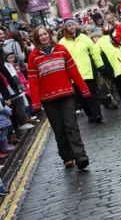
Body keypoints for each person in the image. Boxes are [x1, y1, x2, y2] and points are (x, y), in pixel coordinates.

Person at [29, 26, 90, 170]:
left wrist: (84, 89)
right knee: (59, 129)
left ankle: (80, 155)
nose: (44, 37)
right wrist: (36, 103)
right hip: (48, 99)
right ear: (37, 39)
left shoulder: (62, 49)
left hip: (67, 95)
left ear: (49, 35)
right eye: (40, 36)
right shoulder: (33, 57)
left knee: (72, 126)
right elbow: (33, 81)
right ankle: (66, 156)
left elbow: (73, 71)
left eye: (45, 34)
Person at [59, 19, 105, 123]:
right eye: (69, 25)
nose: (71, 27)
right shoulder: (62, 42)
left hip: (88, 72)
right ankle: (90, 114)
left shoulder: (84, 38)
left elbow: (94, 52)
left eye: (73, 25)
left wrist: (100, 65)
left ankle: (97, 114)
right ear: (65, 28)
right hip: (74, 76)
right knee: (82, 98)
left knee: (93, 94)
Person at [95, 24, 121, 111]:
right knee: (120, 86)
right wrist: (101, 66)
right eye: (105, 26)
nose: (107, 27)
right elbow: (96, 54)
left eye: (108, 25)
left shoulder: (119, 34)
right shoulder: (100, 40)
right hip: (112, 66)